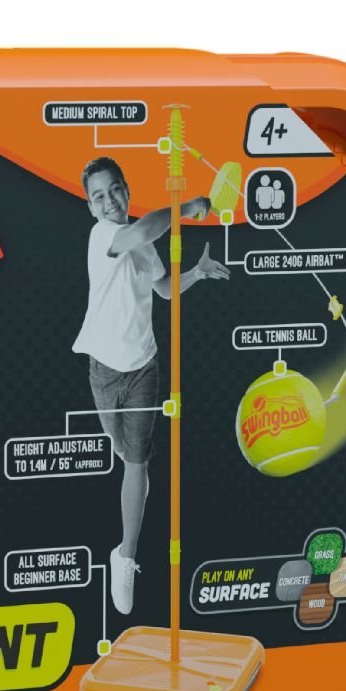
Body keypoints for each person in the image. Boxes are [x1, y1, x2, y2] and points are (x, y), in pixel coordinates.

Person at [72, 156, 229, 614]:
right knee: (125, 457)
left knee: (137, 463)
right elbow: (142, 233)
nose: (109, 201)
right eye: (98, 196)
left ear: (127, 188)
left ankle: (125, 557)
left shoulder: (143, 241)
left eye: (115, 190)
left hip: (144, 367)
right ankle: (133, 490)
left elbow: (161, 288)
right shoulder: (103, 235)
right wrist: (185, 208)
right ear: (91, 206)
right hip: (104, 372)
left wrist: (196, 273)